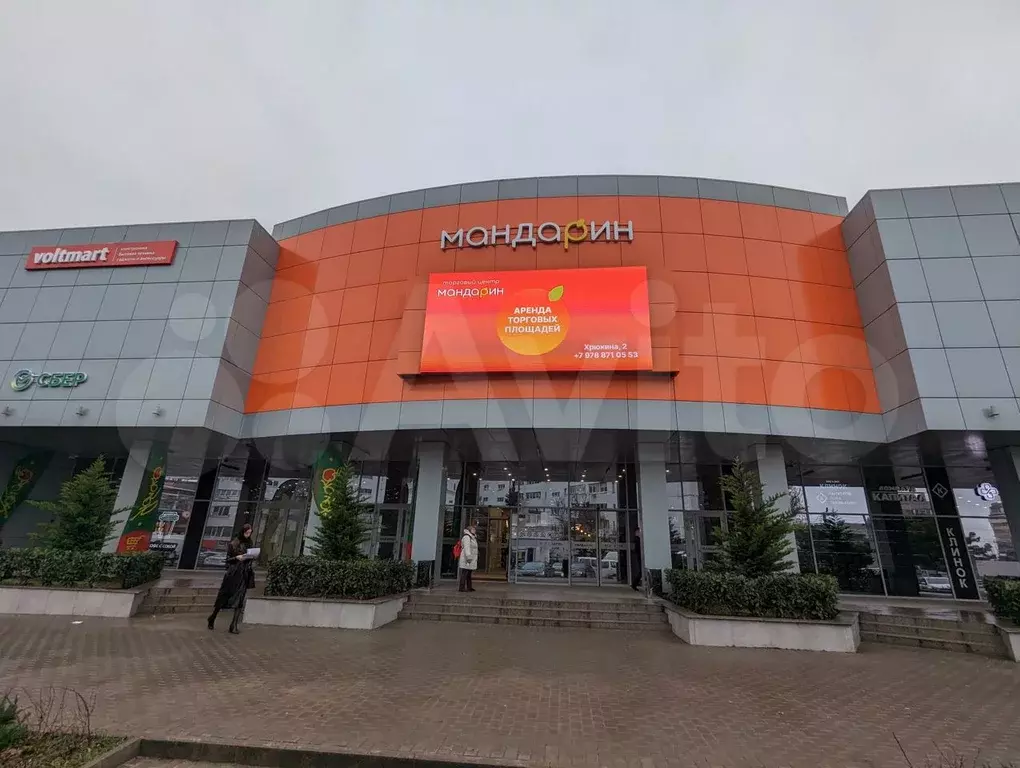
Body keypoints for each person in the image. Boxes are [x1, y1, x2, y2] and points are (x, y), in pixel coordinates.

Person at [208, 524, 255, 634]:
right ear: (242, 532)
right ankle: (212, 617)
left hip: (244, 574)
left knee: (240, 600)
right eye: (247, 533)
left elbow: (250, 556)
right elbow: (228, 560)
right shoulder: (235, 543)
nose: (248, 535)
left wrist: (252, 556)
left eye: (250, 533)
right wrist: (236, 557)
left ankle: (233, 625)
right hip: (233, 574)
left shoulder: (249, 543)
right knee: (224, 597)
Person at [458, 524, 478, 592]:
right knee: (465, 573)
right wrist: (468, 557)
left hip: (471, 558)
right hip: (467, 558)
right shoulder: (467, 537)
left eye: (474, 529)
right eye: (473, 529)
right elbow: (467, 548)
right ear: (469, 530)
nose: (474, 530)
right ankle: (461, 587)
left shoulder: (472, 537)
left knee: (469, 573)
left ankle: (469, 587)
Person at [631, 525, 643, 591]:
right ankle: (634, 584)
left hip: (640, 556)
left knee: (641, 572)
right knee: (641, 572)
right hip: (640, 557)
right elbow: (637, 549)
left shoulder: (638, 539)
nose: (639, 533)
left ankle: (634, 584)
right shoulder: (637, 539)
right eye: (638, 531)